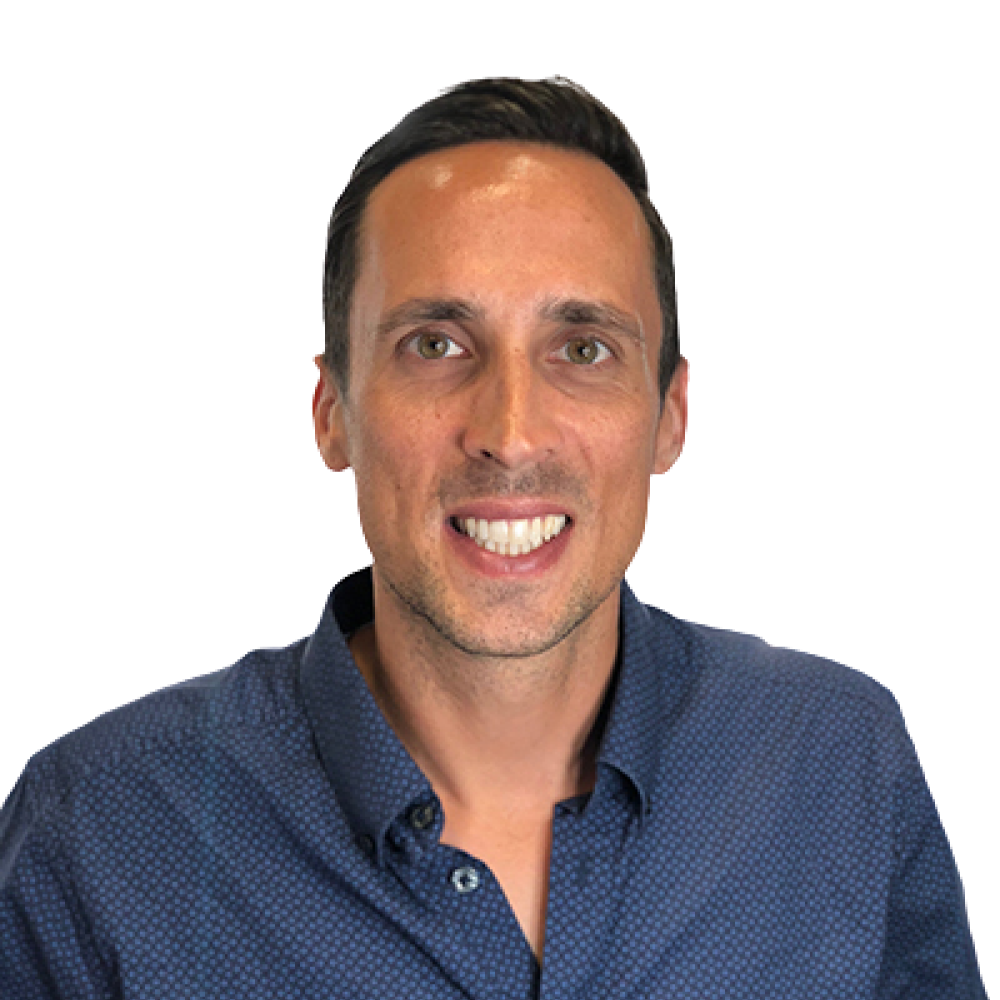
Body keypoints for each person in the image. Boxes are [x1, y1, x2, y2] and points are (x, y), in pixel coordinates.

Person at [0, 77, 986, 998]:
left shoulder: (834, 762)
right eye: (435, 345)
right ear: (332, 408)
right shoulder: (95, 832)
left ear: (669, 414)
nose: (509, 433)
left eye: (583, 349)